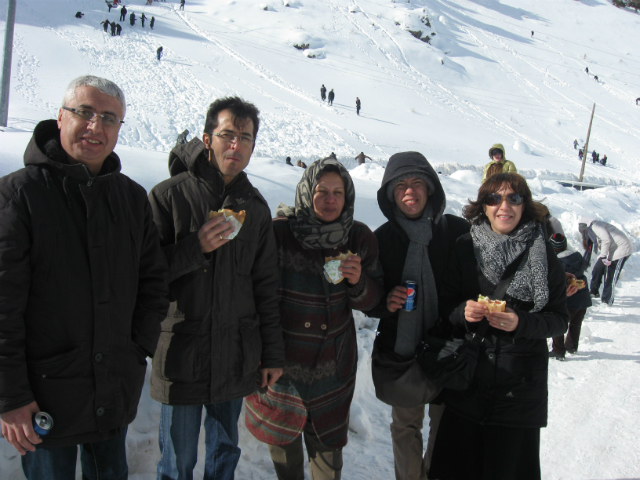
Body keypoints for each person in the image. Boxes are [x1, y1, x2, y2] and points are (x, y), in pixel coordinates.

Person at [0, 75, 169, 478]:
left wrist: (135, 350)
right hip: (43, 399)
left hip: (112, 389)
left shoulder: (130, 198)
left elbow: (153, 283)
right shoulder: (19, 196)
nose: (96, 126)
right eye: (85, 112)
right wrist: (10, 395)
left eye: (109, 118)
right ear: (60, 117)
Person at [148, 96, 285, 480]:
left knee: (224, 454)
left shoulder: (255, 210)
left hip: (235, 354)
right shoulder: (167, 196)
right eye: (227, 135)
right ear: (208, 139)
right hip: (181, 356)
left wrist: (271, 354)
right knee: (177, 461)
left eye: (246, 137)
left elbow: (266, 287)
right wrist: (195, 247)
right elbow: (144, 276)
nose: (236, 145)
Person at [245, 157, 384, 480]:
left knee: (327, 463)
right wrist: (264, 354)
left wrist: (358, 282)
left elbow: (373, 301)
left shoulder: (359, 238)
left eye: (338, 192)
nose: (330, 199)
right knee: (285, 458)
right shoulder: (279, 233)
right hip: (281, 365)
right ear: (307, 192)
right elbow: (257, 295)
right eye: (322, 191)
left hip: (331, 369)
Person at [429, 172, 569, 480]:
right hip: (467, 386)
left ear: (524, 205)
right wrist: (462, 312)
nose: (503, 206)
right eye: (494, 198)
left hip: (518, 395)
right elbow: (443, 306)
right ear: (483, 206)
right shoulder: (465, 246)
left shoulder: (543, 253)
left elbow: (559, 319)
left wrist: (521, 322)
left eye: (513, 198)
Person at [364, 152, 470, 480]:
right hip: (403, 352)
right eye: (401, 186)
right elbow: (368, 298)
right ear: (390, 194)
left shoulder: (456, 231)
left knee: (443, 426)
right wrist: (386, 302)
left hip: (448, 348)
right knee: (405, 427)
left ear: (431, 189)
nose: (410, 191)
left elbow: (476, 281)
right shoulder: (381, 239)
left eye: (417, 182)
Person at [548, 234, 592, 360]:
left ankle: (558, 350)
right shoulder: (576, 257)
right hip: (583, 298)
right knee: (575, 324)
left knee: (558, 323)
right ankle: (571, 346)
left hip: (569, 300)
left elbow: (559, 281)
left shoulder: (558, 262)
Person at [580, 217, 632, 306]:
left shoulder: (595, 226)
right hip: (611, 250)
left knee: (610, 276)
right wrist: (603, 255)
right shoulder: (593, 229)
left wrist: (603, 256)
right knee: (597, 270)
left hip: (622, 249)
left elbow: (606, 239)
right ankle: (594, 292)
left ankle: (607, 301)